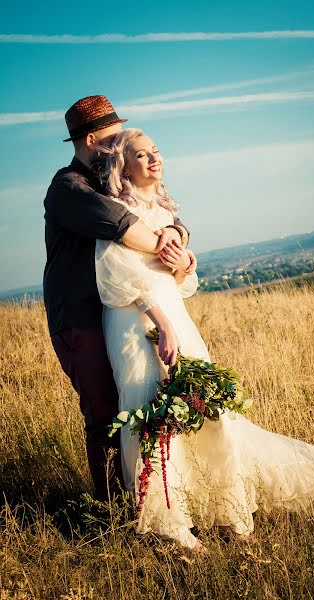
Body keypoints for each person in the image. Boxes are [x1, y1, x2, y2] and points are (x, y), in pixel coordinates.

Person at [94, 128, 314, 554]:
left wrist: (180, 267)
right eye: (142, 156)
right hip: (135, 319)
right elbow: (116, 281)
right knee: (151, 409)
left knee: (203, 406)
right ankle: (169, 524)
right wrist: (163, 326)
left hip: (174, 314)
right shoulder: (115, 214)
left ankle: (228, 509)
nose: (154, 160)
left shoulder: (163, 213)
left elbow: (182, 283)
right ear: (124, 167)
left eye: (156, 152)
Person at [43, 95, 194, 501]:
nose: (122, 145)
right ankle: (116, 510)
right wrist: (168, 242)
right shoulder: (69, 188)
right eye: (114, 139)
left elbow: (167, 215)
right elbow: (125, 227)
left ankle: (160, 495)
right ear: (92, 140)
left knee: (145, 402)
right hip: (80, 318)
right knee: (105, 413)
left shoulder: (113, 181)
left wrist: (178, 236)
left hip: (119, 313)